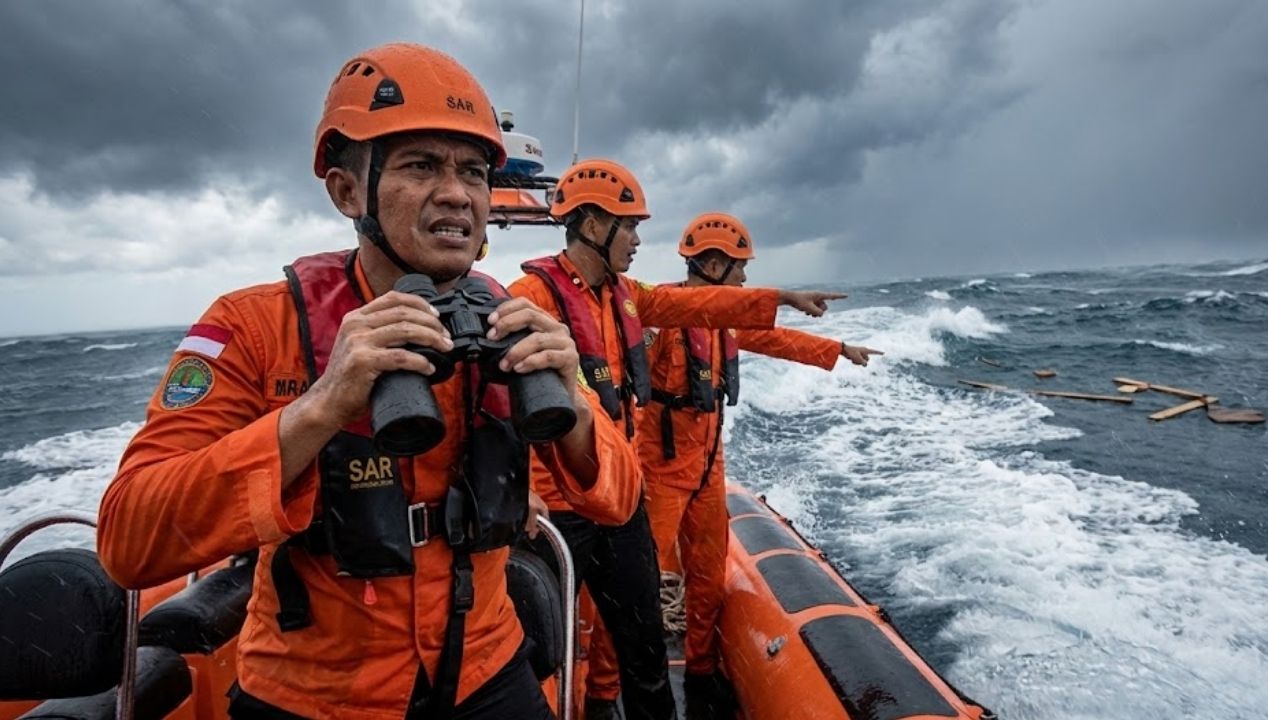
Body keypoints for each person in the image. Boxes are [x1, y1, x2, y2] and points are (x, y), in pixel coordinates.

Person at [96, 43, 642, 720]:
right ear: (347, 190)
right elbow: (128, 540)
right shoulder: (255, 326)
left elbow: (619, 500)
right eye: (421, 166)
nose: (456, 193)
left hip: (484, 666)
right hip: (313, 689)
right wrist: (321, 408)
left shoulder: (509, 319)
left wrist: (577, 412)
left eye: (473, 172)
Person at [508, 160, 847, 720]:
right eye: (630, 225)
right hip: (565, 497)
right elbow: (497, 398)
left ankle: (661, 698)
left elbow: (702, 306)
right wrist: (518, 485)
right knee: (570, 627)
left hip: (623, 492)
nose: (640, 240)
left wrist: (782, 298)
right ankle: (591, 702)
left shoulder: (629, 297)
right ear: (592, 224)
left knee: (641, 625)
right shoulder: (531, 296)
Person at [637, 212, 880, 714]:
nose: (745, 277)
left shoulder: (727, 323)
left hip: (707, 469)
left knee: (706, 577)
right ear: (710, 263)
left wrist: (838, 349)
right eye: (740, 268)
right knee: (637, 583)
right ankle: (628, 683)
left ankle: (701, 673)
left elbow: (778, 340)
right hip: (658, 470)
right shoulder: (659, 315)